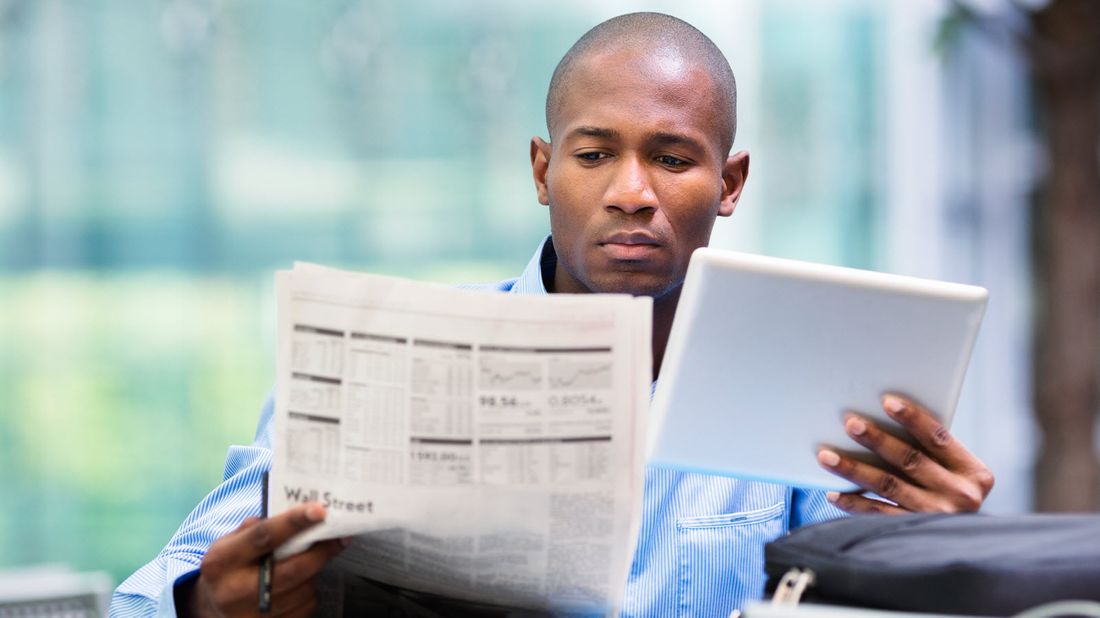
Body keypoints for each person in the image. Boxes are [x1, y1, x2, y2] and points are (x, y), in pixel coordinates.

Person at [112, 12, 995, 617]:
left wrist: (953, 563)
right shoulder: (393, 357)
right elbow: (145, 595)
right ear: (542, 170)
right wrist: (204, 602)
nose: (632, 193)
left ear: (729, 185)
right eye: (595, 153)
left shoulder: (810, 387)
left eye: (674, 157)